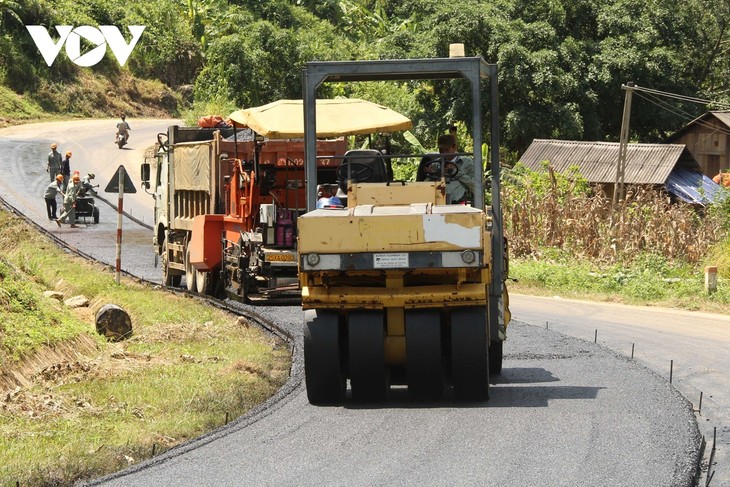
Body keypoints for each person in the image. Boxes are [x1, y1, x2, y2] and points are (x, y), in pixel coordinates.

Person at [437, 134, 475, 204]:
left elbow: (475, 186)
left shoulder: (466, 162)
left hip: (459, 202)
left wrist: (455, 172)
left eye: (446, 150)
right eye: (441, 151)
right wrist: (429, 172)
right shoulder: (436, 163)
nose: (443, 153)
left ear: (454, 147)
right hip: (438, 201)